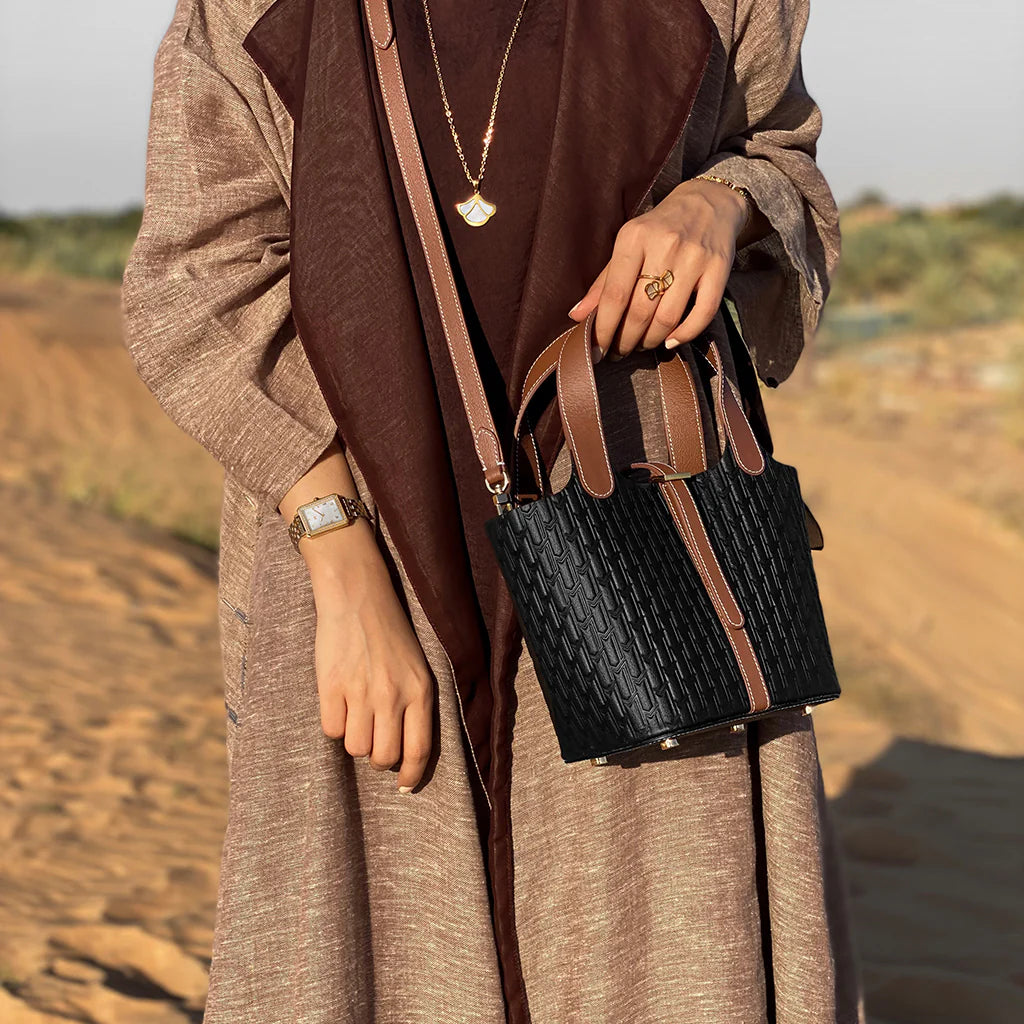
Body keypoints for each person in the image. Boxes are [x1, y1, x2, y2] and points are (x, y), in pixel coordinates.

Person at [122, 0, 864, 1021]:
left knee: (665, 938)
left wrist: (722, 201)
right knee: (380, 934)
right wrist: (343, 568)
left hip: (643, 533)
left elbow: (784, 163)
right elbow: (193, 285)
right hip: (362, 529)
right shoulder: (249, 12)